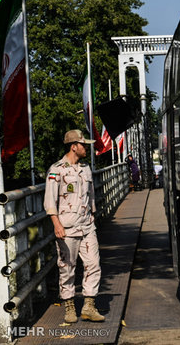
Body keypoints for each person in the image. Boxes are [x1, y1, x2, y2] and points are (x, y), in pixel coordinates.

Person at [43, 129, 105, 324]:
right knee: (67, 267)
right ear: (73, 146)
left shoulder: (85, 169)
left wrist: (93, 215)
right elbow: (50, 201)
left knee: (93, 264)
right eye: (83, 144)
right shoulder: (56, 169)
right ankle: (69, 306)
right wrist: (56, 225)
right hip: (67, 228)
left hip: (87, 226)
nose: (86, 147)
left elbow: (91, 195)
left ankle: (89, 306)